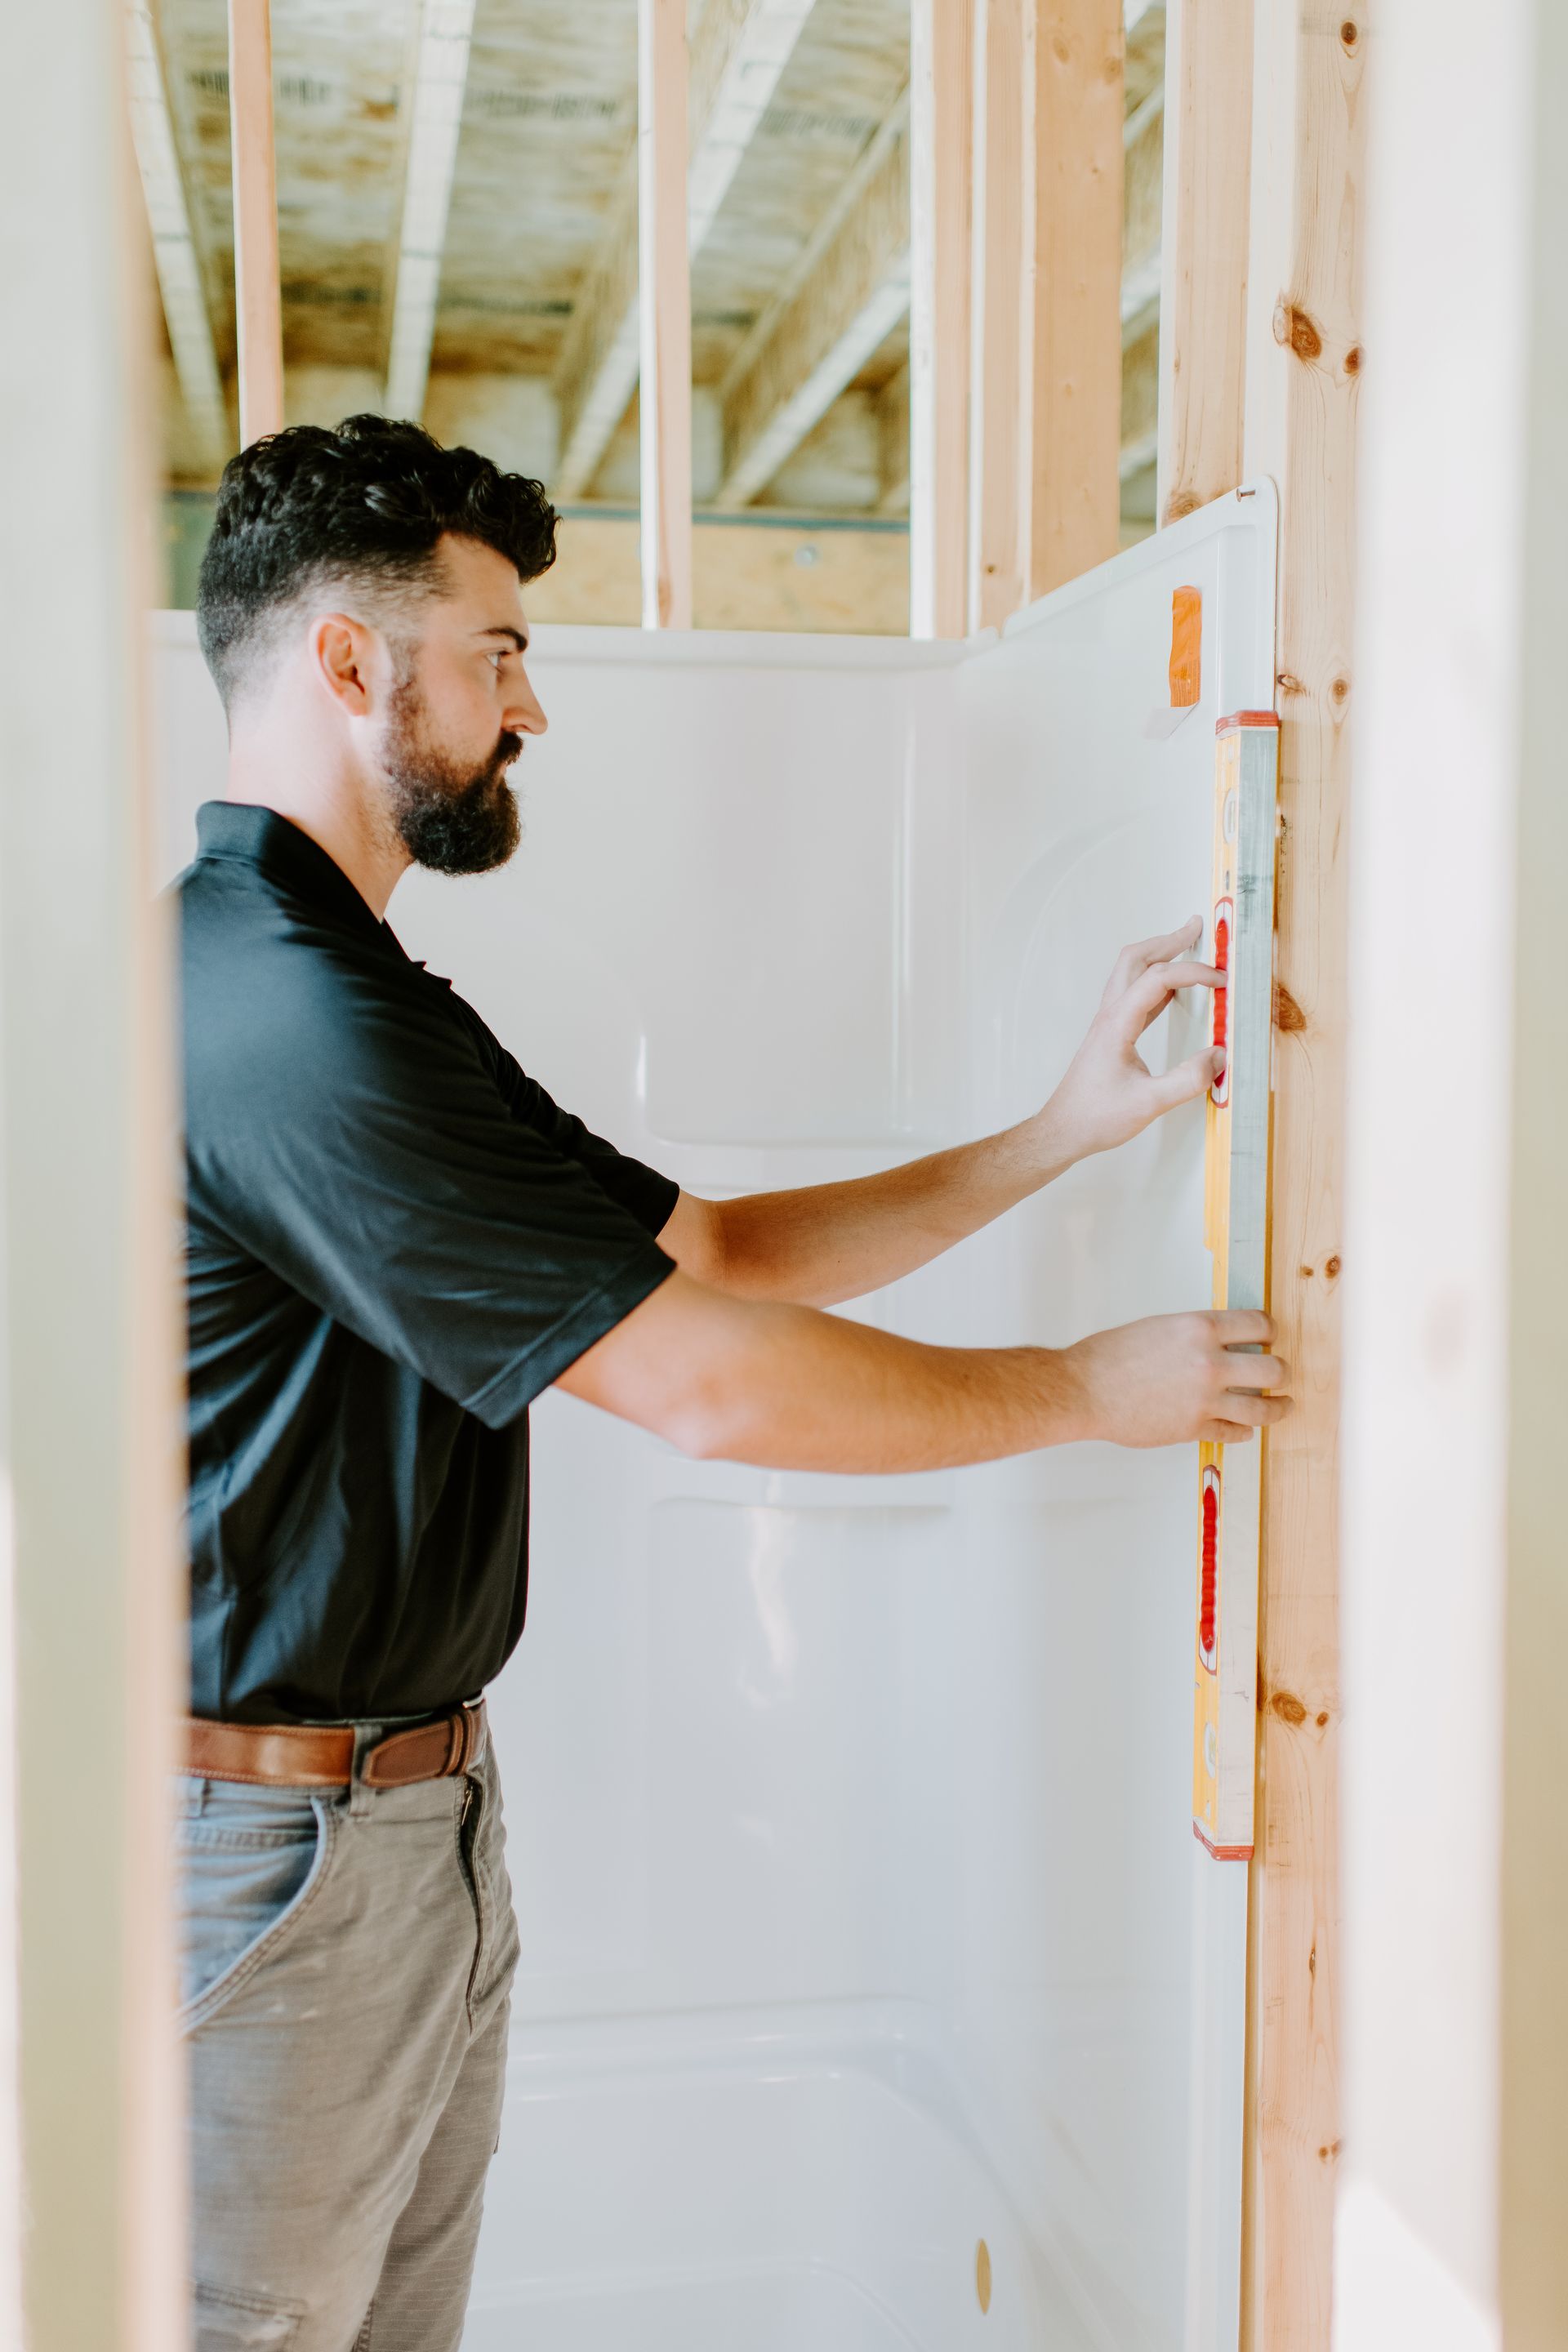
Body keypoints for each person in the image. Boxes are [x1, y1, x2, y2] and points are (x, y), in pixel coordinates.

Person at [176, 414, 1290, 2351]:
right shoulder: (283, 1012)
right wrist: (1089, 1389)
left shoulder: (334, 988)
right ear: (353, 665)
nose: (530, 706)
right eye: (496, 648)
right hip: (275, 1858)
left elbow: (714, 1254)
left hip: (398, 1830)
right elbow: (704, 1385)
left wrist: (1057, 1134)